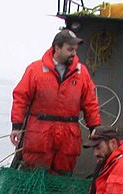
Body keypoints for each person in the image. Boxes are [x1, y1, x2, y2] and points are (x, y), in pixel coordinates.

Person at [10, 29, 101, 175]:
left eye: (75, 50)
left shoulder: (82, 73)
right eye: (70, 49)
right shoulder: (35, 70)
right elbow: (21, 97)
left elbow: (90, 103)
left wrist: (95, 128)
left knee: (62, 178)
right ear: (57, 48)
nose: (74, 53)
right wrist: (17, 126)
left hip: (68, 137)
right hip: (39, 134)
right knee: (33, 176)